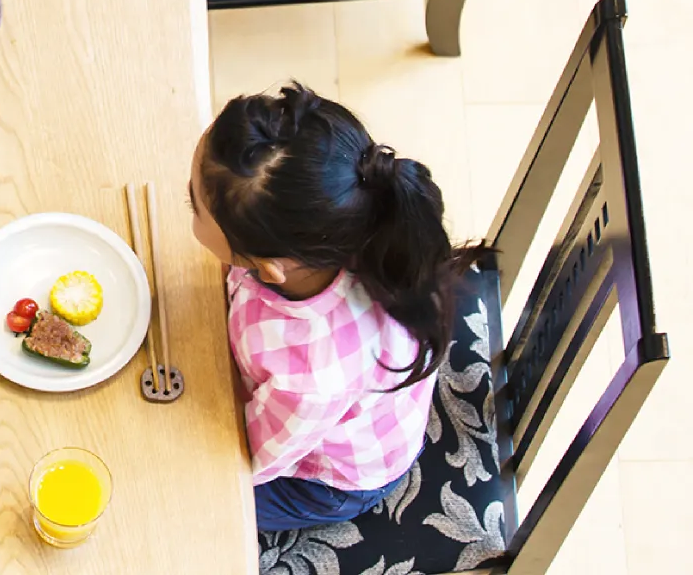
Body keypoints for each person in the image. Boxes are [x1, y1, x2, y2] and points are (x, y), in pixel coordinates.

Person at [185, 84, 488, 531]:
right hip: (324, 401)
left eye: (192, 206)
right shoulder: (338, 212)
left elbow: (246, 456)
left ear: (269, 268)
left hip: (328, 479)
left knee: (196, 509)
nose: (189, 208)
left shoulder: (310, 377)